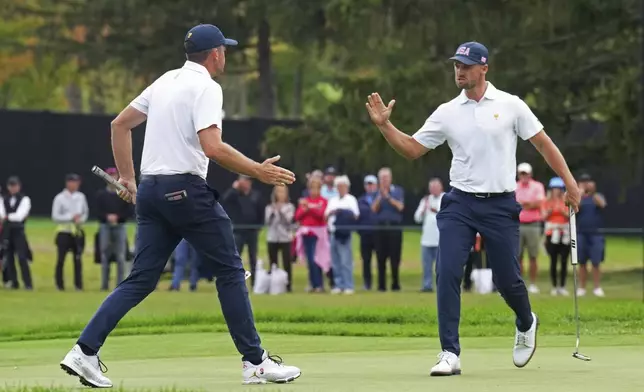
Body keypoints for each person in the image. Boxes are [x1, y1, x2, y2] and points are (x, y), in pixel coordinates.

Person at [59, 24, 300, 388]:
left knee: (140, 279)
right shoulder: (207, 87)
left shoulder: (165, 80)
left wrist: (128, 178)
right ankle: (256, 363)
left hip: (153, 191)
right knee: (231, 271)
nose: (226, 55)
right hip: (185, 189)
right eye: (225, 50)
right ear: (216, 53)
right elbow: (213, 147)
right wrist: (257, 170)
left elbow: (120, 125)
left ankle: (84, 352)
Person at [365, 41, 580, 376]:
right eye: (456, 65)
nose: (459, 71)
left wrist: (570, 183)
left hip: (500, 204)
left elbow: (543, 144)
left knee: (507, 280)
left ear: (484, 68)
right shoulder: (447, 111)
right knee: (448, 270)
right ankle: (449, 352)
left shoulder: (511, 105)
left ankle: (526, 320)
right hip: (459, 203)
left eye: (466, 65)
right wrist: (384, 125)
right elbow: (411, 149)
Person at [221, 175, 264, 287]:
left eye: (247, 181)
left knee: (253, 257)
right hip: (239, 230)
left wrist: (259, 226)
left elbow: (260, 211)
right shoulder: (235, 194)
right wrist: (234, 189)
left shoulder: (255, 195)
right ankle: (235, 280)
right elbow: (225, 200)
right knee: (236, 256)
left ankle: (254, 282)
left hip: (252, 230)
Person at [95, 167, 133, 291]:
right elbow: (97, 211)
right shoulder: (101, 195)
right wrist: (107, 217)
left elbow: (128, 211)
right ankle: (104, 285)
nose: (112, 177)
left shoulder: (123, 193)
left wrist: (118, 217)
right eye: (109, 175)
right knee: (105, 255)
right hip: (105, 226)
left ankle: (120, 284)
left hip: (120, 226)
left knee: (120, 256)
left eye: (114, 175)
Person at [52, 173, 89, 291]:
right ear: (68, 183)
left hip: (77, 232)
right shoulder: (60, 198)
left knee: (77, 259)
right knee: (61, 259)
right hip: (64, 232)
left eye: (76, 182)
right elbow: (55, 216)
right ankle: (59, 284)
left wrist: (80, 220)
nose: (75, 185)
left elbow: (85, 212)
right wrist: (70, 217)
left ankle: (78, 285)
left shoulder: (81, 197)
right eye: (72, 182)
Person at [371, 167, 405, 291]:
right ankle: (381, 285)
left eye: (386, 178)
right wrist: (380, 196)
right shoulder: (376, 193)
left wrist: (389, 197)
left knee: (395, 258)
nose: (384, 181)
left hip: (394, 227)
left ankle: (395, 284)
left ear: (390, 178)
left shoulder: (398, 191)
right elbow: (373, 209)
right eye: (382, 178)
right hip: (380, 228)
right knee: (380, 258)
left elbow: (401, 207)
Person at [294, 176, 330, 293]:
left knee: (319, 259)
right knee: (310, 260)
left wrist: (309, 208)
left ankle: (319, 284)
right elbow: (298, 216)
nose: (314, 191)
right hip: (307, 235)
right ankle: (312, 283)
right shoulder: (305, 201)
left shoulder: (323, 201)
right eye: (312, 188)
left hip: (319, 235)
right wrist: (306, 209)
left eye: (316, 188)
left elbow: (321, 215)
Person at [325, 175, 359, 295]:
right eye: (338, 186)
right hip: (333, 232)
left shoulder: (351, 200)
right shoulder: (333, 200)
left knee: (346, 260)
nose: (340, 189)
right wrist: (334, 213)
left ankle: (348, 285)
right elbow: (326, 215)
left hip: (345, 233)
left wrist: (343, 213)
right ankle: (338, 284)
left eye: (342, 186)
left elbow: (355, 215)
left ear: (347, 187)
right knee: (335, 261)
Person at [515, 162, 546, 294]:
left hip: (533, 224)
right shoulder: (514, 186)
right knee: (518, 256)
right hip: (517, 224)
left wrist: (524, 204)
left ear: (530, 174)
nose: (524, 176)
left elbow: (539, 202)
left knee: (533, 256)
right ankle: (520, 283)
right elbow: (514, 204)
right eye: (521, 173)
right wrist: (527, 204)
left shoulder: (537, 186)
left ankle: (533, 284)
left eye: (526, 173)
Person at [576, 173, 607, 297]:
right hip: (581, 233)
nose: (586, 184)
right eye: (583, 182)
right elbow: (574, 209)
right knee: (582, 262)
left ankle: (597, 287)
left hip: (596, 234)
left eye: (588, 181)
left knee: (596, 261)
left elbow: (602, 205)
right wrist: (580, 194)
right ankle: (582, 287)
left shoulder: (597, 196)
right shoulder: (579, 197)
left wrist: (592, 193)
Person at [0, 176, 33, 290]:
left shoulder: (25, 199)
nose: (13, 188)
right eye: (11, 186)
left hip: (18, 231)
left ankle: (28, 283)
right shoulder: (3, 199)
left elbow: (20, 216)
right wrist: (9, 217)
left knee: (22, 257)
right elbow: (2, 214)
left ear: (19, 186)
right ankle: (14, 282)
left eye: (15, 186)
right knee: (9, 257)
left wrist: (8, 217)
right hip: (7, 231)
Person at [413, 178, 444, 292]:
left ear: (441, 187)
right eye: (432, 187)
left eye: (436, 187)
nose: (434, 190)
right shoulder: (425, 200)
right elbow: (417, 218)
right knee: (426, 266)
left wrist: (434, 210)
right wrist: (423, 209)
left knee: (441, 266)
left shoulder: (445, 199)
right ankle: (427, 286)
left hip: (440, 239)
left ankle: (442, 286)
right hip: (426, 240)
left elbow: (446, 215)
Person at [542, 177, 570, 296]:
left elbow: (570, 215)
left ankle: (562, 286)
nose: (557, 191)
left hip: (564, 232)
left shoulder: (567, 201)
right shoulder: (546, 201)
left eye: (559, 188)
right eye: (554, 188)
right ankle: (554, 286)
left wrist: (561, 211)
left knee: (564, 260)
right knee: (553, 260)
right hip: (551, 233)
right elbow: (543, 216)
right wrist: (550, 210)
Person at [264, 185, 295, 292]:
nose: (281, 194)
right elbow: (267, 222)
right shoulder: (269, 207)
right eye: (279, 192)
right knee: (273, 262)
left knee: (287, 262)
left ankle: (288, 285)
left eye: (283, 192)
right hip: (272, 237)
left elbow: (288, 222)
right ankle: (273, 285)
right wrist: (273, 211)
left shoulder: (289, 207)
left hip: (285, 237)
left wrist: (280, 211)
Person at [356, 175, 378, 290]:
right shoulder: (360, 201)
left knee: (380, 259)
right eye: (368, 184)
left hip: (378, 234)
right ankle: (367, 283)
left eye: (372, 184)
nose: (370, 187)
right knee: (366, 260)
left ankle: (381, 284)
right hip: (365, 234)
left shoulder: (380, 198)